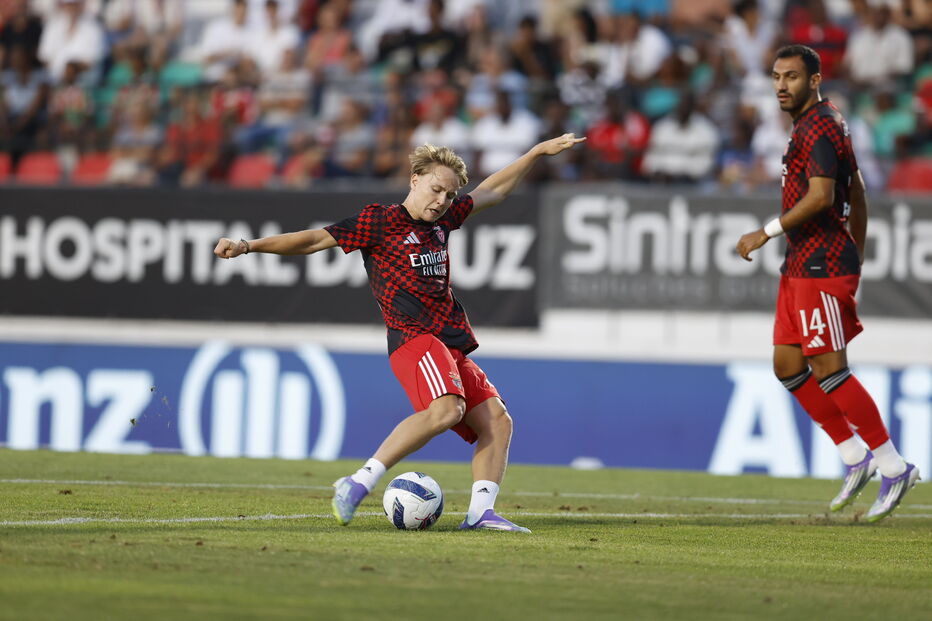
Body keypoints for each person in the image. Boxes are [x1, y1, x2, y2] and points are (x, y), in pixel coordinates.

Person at [214, 133, 585, 532]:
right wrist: (248, 246)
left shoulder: (444, 219)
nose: (442, 200)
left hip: (448, 343)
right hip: (413, 339)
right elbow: (313, 240)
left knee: (497, 419)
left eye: (448, 194)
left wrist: (533, 153)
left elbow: (492, 191)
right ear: (415, 180)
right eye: (436, 189)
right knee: (447, 410)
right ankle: (358, 482)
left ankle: (481, 514)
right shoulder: (380, 221)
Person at [736, 44, 919, 522]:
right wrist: (856, 248)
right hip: (804, 263)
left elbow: (821, 197)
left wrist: (767, 231)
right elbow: (855, 188)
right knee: (787, 365)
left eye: (792, 77)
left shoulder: (818, 127)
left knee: (829, 368)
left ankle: (893, 466)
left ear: (814, 80)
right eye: (776, 76)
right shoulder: (823, 121)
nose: (781, 85)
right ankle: (854, 455)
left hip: (820, 264)